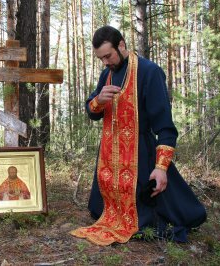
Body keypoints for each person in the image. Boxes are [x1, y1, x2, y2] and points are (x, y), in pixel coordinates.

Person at [70, 26, 206, 246]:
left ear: (121, 45)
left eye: (108, 55)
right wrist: (98, 101)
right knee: (99, 212)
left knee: (151, 218)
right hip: (108, 155)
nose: (105, 62)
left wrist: (161, 168)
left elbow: (165, 126)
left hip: (140, 154)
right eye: (101, 58)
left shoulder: (149, 72)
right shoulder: (107, 74)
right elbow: (92, 111)